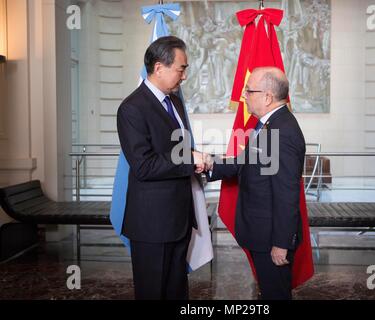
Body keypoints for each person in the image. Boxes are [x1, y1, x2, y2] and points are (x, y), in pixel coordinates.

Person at [197, 67, 306, 300]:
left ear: (267, 97)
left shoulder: (282, 131)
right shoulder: (269, 125)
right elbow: (245, 162)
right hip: (262, 234)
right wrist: (209, 164)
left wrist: (281, 243)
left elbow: (287, 195)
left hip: (271, 239)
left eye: (249, 91)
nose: (243, 96)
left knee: (276, 295)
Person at [117, 36, 204, 300]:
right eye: (181, 68)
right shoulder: (132, 109)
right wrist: (191, 160)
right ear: (158, 68)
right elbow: (144, 166)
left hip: (179, 219)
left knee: (177, 292)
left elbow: (176, 153)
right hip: (152, 225)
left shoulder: (175, 102)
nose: (184, 76)